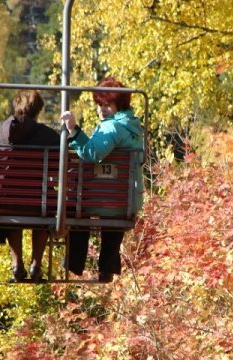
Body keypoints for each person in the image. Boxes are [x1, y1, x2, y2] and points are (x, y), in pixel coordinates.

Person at [0, 89, 60, 282]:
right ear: (38, 109)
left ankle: (16, 263)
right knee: (47, 204)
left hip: (3, 203)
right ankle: (36, 264)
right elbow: (58, 170)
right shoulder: (50, 137)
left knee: (12, 203)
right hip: (39, 204)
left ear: (16, 105)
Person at [61, 76, 144, 282]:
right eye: (100, 105)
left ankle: (75, 262)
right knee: (111, 208)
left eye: (107, 105)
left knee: (76, 205)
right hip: (125, 201)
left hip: (98, 201)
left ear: (119, 104)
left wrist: (73, 129)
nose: (102, 110)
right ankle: (107, 266)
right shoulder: (134, 127)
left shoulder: (111, 128)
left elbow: (91, 153)